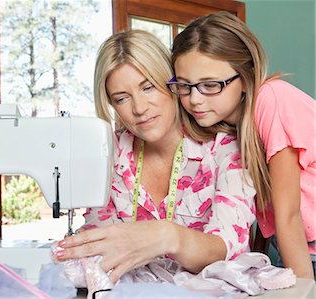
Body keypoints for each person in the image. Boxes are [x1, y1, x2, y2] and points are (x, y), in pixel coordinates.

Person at [54, 29, 256, 283]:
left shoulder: (223, 149)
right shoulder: (109, 156)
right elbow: (100, 246)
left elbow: (228, 246)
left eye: (148, 87)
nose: (139, 108)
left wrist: (166, 236)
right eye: (121, 98)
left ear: (173, 83)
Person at [166, 11, 315, 279]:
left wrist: (304, 290)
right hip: (290, 249)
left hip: (305, 251)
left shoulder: (271, 99)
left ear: (245, 77)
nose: (195, 99)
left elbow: (288, 214)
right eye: (185, 86)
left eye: (210, 85)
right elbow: (263, 215)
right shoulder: (227, 131)